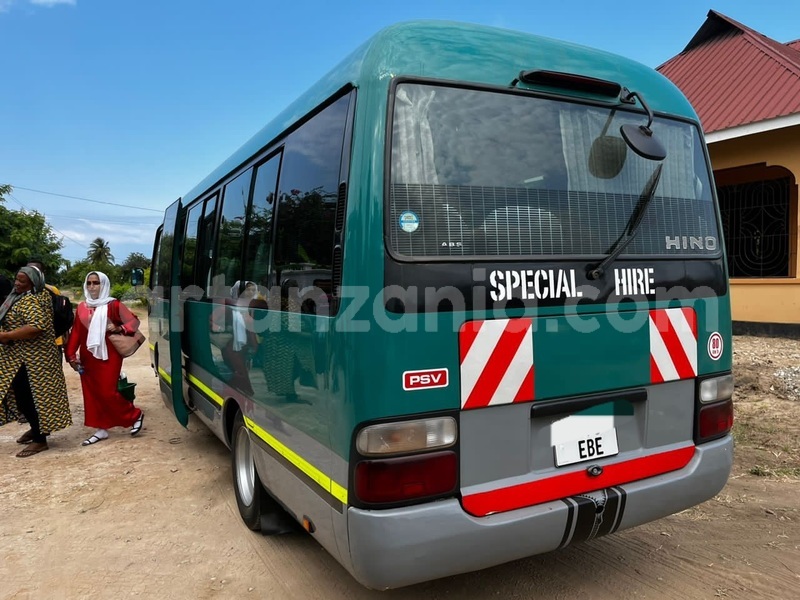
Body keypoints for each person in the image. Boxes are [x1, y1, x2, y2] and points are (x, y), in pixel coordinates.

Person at [65, 271, 144, 445]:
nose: (92, 287)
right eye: (89, 283)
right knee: (92, 393)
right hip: (88, 357)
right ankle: (101, 429)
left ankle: (134, 415)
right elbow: (76, 333)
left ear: (104, 285)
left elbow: (133, 322)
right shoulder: (82, 307)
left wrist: (119, 329)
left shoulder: (113, 305)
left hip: (109, 355)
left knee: (108, 392)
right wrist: (70, 355)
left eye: (96, 283)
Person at [0, 266, 72, 457]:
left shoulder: (31, 299)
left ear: (33, 283)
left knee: (30, 398)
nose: (16, 283)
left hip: (33, 359)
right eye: (16, 279)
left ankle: (40, 440)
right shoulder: (21, 297)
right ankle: (37, 429)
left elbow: (36, 326)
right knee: (25, 397)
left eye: (22, 281)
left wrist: (7, 335)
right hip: (21, 357)